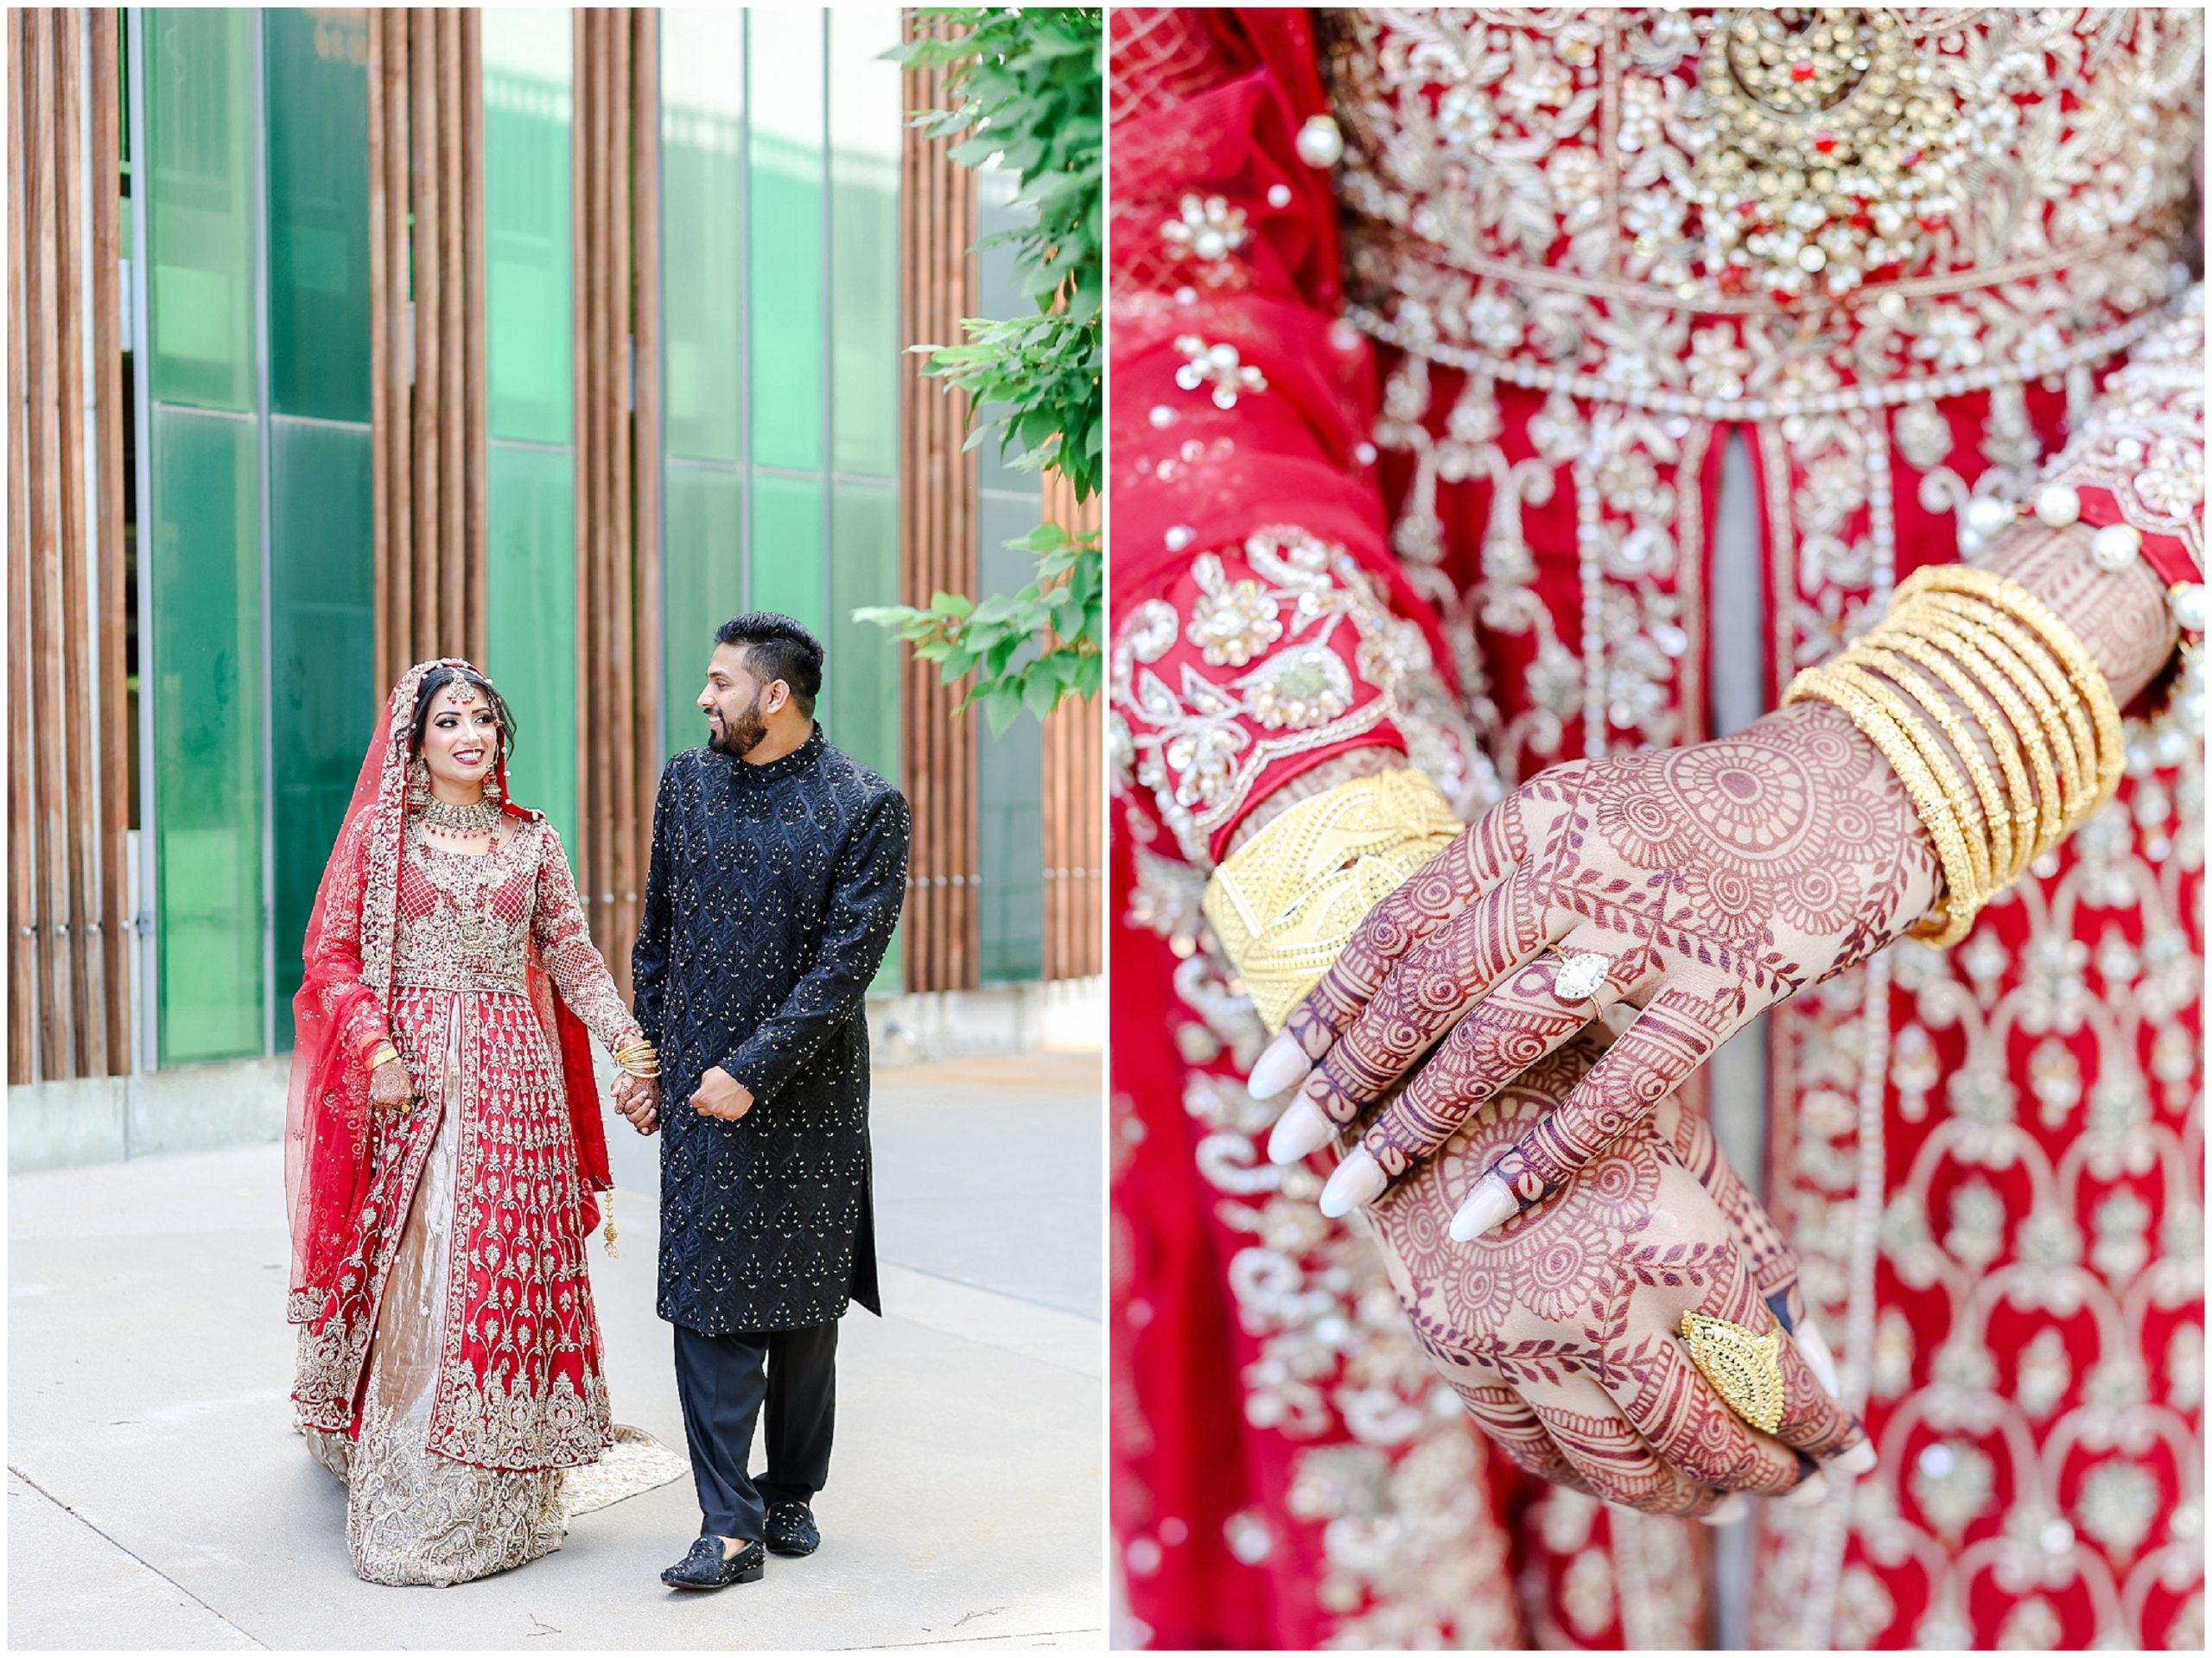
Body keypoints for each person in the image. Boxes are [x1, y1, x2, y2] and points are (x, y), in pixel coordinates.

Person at [1108, 8, 2202, 1649]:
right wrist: (1412, 991)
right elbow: (1154, 245)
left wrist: (1960, 718)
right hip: (1400, 681)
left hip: (2110, 683)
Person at [285, 659, 666, 1585]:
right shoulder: (384, 839)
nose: (469, 732)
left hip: (513, 1078)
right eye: (448, 718)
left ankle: (505, 1488)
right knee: (427, 1266)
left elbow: (570, 956)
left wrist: (628, 1044)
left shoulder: (531, 841)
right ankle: (415, 1483)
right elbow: (331, 956)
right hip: (411, 1080)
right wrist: (376, 1050)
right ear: (414, 740)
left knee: (502, 1266)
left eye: (483, 718)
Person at [620, 612, 912, 1591]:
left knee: (800, 1308)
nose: (703, 697)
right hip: (701, 1089)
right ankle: (726, 1523)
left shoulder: (864, 804)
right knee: (705, 1300)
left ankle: (790, 1488)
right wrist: (651, 1049)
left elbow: (843, 970)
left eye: (719, 682)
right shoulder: (686, 782)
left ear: (773, 695)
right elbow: (655, 926)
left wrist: (755, 1066)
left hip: (808, 1094)